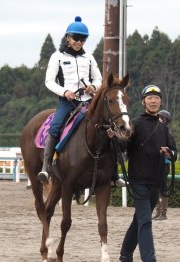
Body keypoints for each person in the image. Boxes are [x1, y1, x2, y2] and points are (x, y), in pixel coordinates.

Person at [37, 16, 126, 187]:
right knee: (55, 127)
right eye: (76, 38)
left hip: (89, 101)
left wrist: (93, 86)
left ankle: (114, 174)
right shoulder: (57, 57)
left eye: (83, 39)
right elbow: (49, 81)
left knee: (110, 127)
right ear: (68, 38)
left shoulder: (89, 58)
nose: (79, 42)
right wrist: (65, 91)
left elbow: (99, 79)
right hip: (67, 102)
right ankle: (46, 167)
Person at [118, 85, 177, 262]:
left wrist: (170, 153)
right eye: (150, 98)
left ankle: (125, 254)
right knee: (146, 221)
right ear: (144, 101)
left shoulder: (163, 128)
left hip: (156, 183)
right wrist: (117, 135)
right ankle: (149, 259)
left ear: (160, 101)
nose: (153, 101)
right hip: (139, 181)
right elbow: (122, 147)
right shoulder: (135, 123)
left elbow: (174, 152)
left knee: (139, 220)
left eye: (156, 98)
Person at [152, 110, 172, 220]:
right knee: (155, 188)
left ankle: (163, 213)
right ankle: (158, 211)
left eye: (159, 118)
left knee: (162, 188)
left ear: (164, 120)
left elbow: (170, 149)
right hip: (156, 163)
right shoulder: (156, 131)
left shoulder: (167, 133)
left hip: (164, 164)